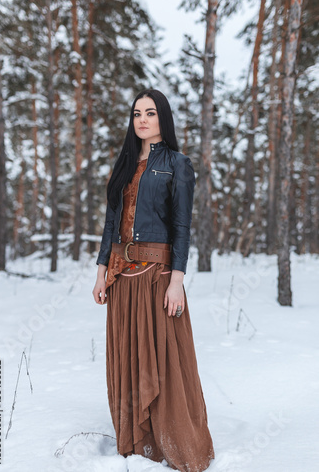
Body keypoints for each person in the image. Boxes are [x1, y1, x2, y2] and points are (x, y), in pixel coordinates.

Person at [92, 88, 214, 471]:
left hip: (156, 276)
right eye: (136, 113)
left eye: (150, 112)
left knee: (163, 360)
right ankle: (134, 440)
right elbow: (111, 223)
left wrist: (177, 279)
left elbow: (182, 225)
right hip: (121, 276)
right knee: (127, 356)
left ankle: (174, 444)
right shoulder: (124, 163)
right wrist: (100, 272)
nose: (142, 119)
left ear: (163, 118)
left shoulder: (178, 164)